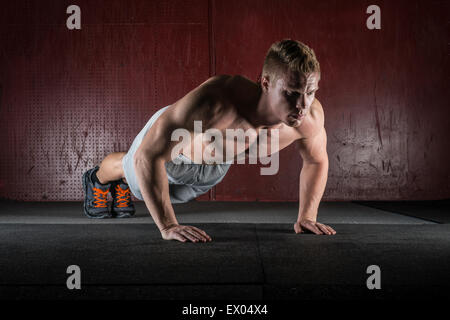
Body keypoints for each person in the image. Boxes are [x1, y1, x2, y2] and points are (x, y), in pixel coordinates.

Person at [82, 39, 336, 242]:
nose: (303, 105)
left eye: (311, 92)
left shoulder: (309, 117)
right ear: (266, 83)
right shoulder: (217, 101)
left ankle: (126, 180)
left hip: (214, 167)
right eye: (291, 93)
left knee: (169, 196)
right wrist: (168, 226)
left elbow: (316, 160)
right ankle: (98, 178)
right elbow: (147, 156)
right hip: (174, 152)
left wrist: (307, 216)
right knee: (135, 173)